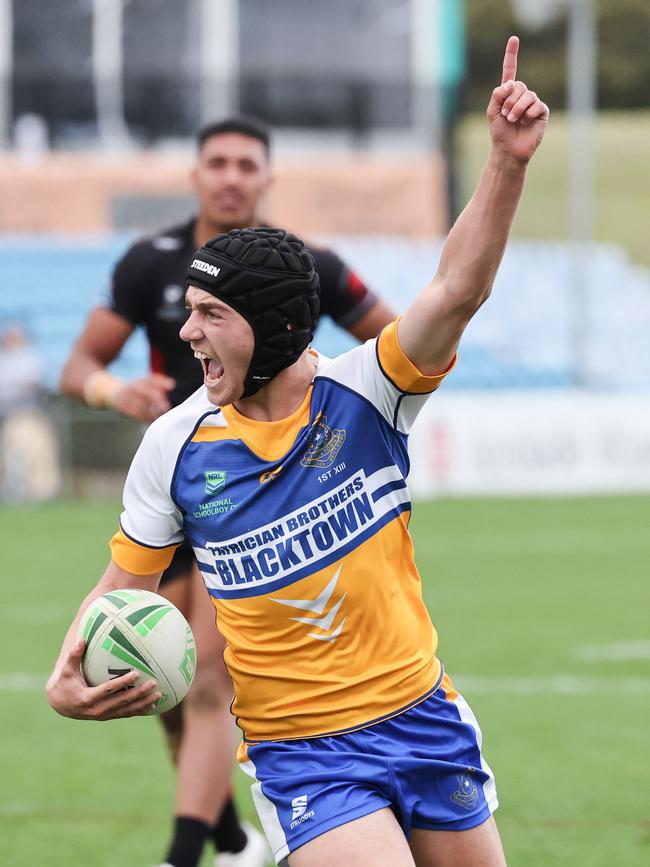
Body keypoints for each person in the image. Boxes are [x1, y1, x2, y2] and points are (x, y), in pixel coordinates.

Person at [48, 37, 548, 867]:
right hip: (304, 754)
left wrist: (504, 162)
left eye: (210, 314)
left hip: (423, 716)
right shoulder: (174, 445)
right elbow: (118, 590)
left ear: (274, 328)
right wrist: (65, 672)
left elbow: (457, 287)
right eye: (190, 310)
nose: (185, 332)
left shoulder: (371, 391)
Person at [59, 114, 395, 867]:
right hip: (167, 494)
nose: (232, 176)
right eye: (219, 162)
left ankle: (184, 857)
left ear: (268, 178)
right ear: (195, 175)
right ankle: (231, 837)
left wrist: (320, 419)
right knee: (162, 687)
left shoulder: (304, 267)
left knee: (209, 679)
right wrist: (119, 391)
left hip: (251, 498)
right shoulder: (152, 262)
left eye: (248, 164)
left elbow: (391, 341)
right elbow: (77, 365)